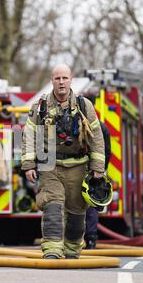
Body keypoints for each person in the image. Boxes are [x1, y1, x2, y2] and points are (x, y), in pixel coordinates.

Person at [21, 64, 105, 259]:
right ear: (52, 81)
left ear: (71, 80)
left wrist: (97, 168)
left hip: (77, 164)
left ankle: (72, 250)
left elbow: (96, 138)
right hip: (50, 163)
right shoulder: (40, 107)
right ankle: (52, 251)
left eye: (64, 78)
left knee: (77, 210)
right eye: (57, 78)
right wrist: (28, 164)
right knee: (52, 204)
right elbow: (28, 136)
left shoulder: (85, 106)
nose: (61, 82)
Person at [85, 118, 111, 249]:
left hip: (77, 169)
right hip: (94, 172)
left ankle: (79, 239)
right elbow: (107, 150)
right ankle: (90, 240)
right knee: (91, 204)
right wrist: (101, 170)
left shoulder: (75, 120)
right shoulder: (102, 126)